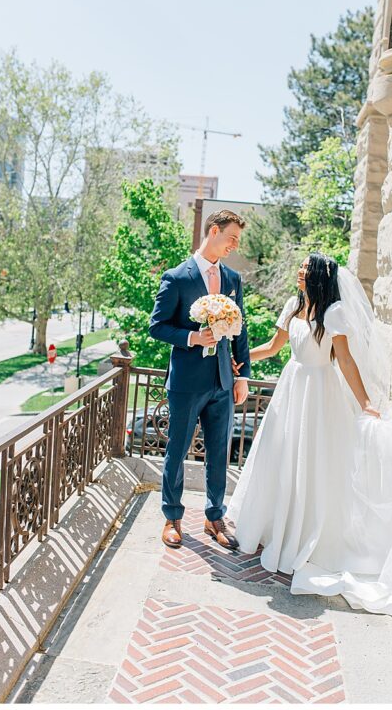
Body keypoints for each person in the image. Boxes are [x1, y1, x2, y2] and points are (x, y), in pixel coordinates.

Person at [227, 253, 392, 615]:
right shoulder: (293, 305)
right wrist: (239, 360)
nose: (299, 272)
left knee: (313, 464)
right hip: (290, 388)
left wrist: (366, 401)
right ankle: (276, 529)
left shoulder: (334, 313)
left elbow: (347, 360)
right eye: (300, 267)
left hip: (319, 394)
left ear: (320, 276)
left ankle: (306, 537)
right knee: (281, 457)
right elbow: (274, 348)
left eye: (306, 269)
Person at [148, 210, 251, 550]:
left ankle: (214, 517)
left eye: (237, 240)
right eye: (232, 238)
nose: (234, 245)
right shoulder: (177, 277)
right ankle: (172, 517)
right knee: (176, 451)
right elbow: (157, 326)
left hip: (222, 381)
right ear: (214, 231)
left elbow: (241, 332)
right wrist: (192, 338)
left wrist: (243, 377)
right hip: (186, 382)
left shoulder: (233, 279)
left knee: (219, 453)